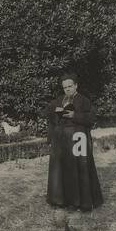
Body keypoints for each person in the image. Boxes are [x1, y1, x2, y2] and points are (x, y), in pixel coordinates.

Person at [46, 73, 103, 213]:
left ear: (76, 85)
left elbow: (91, 119)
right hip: (61, 141)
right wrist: (51, 137)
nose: (67, 89)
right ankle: (62, 200)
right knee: (62, 170)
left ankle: (82, 202)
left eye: (70, 86)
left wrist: (74, 116)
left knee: (80, 169)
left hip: (79, 138)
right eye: (65, 87)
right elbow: (51, 118)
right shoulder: (58, 100)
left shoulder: (84, 101)